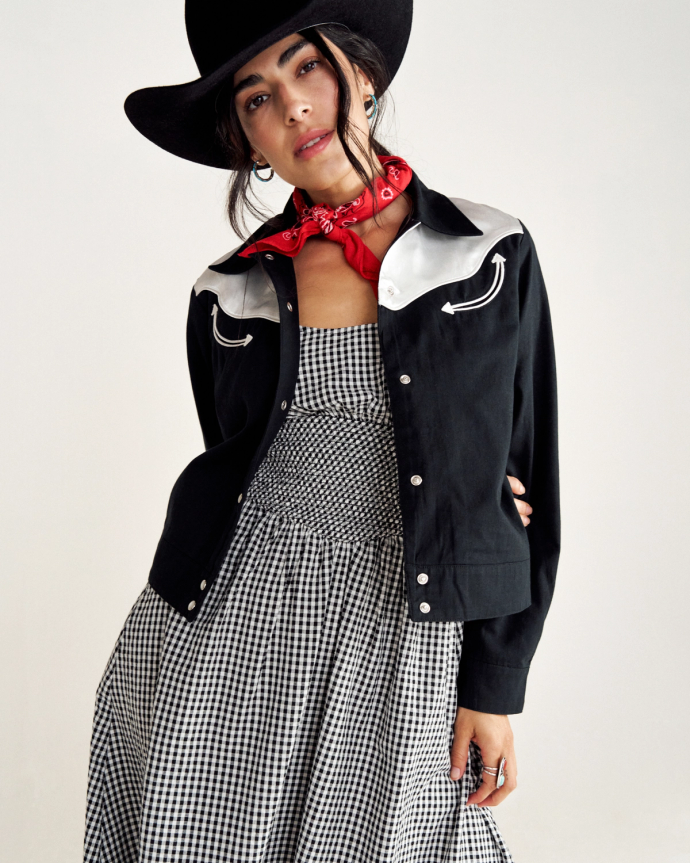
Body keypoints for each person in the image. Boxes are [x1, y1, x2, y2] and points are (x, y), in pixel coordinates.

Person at [83, 2, 560, 861]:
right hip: (227, 622)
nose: (292, 106)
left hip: (404, 624)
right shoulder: (227, 292)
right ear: (247, 141)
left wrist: (495, 682)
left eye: (306, 69)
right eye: (257, 98)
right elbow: (238, 461)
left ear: (361, 74)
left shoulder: (489, 255)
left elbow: (531, 475)